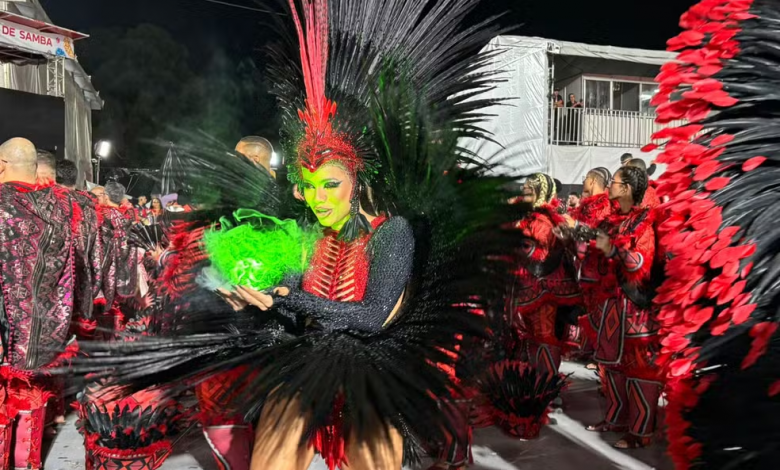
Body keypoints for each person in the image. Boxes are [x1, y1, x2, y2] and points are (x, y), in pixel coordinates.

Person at [0, 138, 84, 470]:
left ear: (2, 165)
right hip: (41, 333)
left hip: (5, 334)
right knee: (30, 403)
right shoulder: (60, 209)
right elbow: (69, 274)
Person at [584, 166, 661, 449]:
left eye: (614, 182)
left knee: (639, 370)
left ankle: (639, 432)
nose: (609, 187)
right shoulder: (612, 221)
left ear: (626, 189)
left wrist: (614, 250)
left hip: (636, 308)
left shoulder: (644, 222)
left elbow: (641, 263)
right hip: (612, 305)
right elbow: (594, 253)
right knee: (613, 367)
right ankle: (616, 419)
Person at [511, 174, 581, 381]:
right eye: (523, 191)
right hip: (530, 288)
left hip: (545, 290)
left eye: (528, 192)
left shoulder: (543, 221)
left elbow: (538, 254)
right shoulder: (527, 218)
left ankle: (546, 384)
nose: (523, 195)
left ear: (540, 193)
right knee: (533, 335)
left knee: (545, 336)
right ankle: (536, 382)